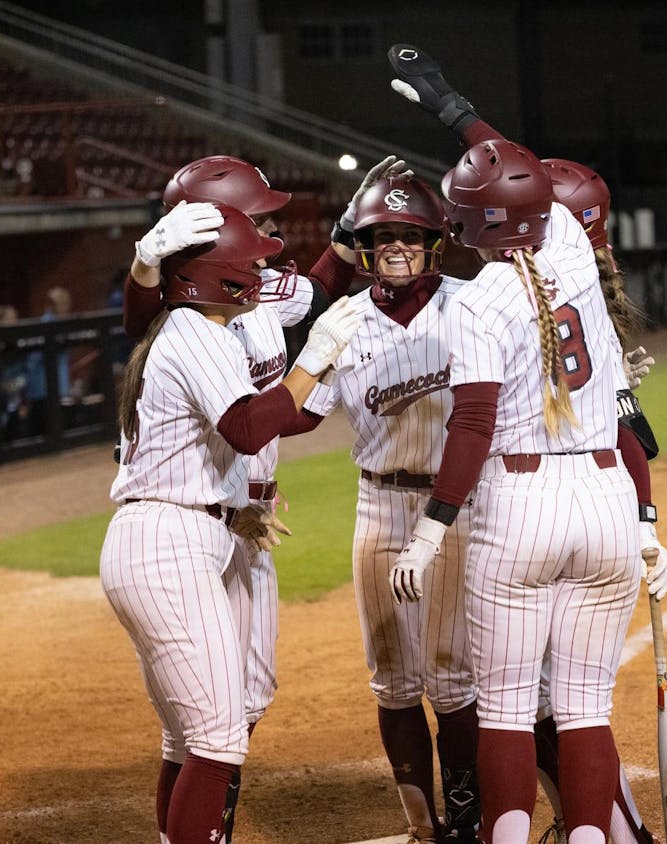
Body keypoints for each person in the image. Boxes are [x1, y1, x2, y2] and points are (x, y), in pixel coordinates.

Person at [390, 45, 667, 844]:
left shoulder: (479, 300)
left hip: (521, 504)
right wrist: (451, 104)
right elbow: (519, 171)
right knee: (584, 709)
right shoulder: (578, 251)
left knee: (509, 709)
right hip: (608, 495)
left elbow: (472, 424)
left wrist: (432, 528)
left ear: (467, 222)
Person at [101, 207, 363, 844]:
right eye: (253, 259)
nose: (264, 264)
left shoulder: (193, 323)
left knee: (191, 736)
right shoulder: (196, 332)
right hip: (171, 543)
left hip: (195, 529)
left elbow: (271, 415)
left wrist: (325, 375)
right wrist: (318, 356)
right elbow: (246, 426)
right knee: (218, 737)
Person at [297, 171, 483, 843]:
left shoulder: (470, 306)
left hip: (452, 509)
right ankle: (420, 824)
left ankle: (467, 818)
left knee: (451, 676)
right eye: (383, 237)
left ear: (435, 243)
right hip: (376, 506)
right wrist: (308, 360)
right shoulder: (345, 319)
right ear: (365, 246)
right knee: (393, 681)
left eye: (410, 235)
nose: (396, 246)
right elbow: (297, 419)